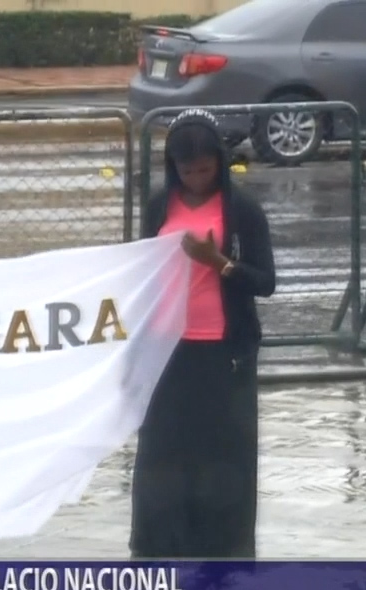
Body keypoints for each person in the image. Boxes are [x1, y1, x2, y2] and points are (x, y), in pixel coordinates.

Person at [129, 108, 277, 559]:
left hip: (222, 353)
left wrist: (218, 263)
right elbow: (141, 269)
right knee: (162, 453)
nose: (196, 179)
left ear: (220, 163)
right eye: (186, 170)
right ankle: (159, 545)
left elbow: (265, 282)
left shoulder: (242, 210)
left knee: (222, 456)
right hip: (168, 349)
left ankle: (224, 548)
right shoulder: (159, 206)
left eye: (205, 170)